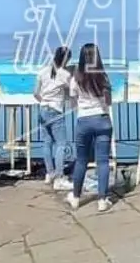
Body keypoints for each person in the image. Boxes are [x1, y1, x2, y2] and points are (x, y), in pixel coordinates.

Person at [66, 43, 114, 212]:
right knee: (102, 161)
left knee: (81, 160)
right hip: (102, 120)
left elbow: (72, 102)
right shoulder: (103, 77)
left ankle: (76, 197)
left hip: (84, 121)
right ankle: (102, 200)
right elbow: (108, 102)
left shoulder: (76, 78)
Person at [35, 46, 72, 190]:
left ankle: (49, 173)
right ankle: (59, 176)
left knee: (47, 142)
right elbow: (73, 91)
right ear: (66, 59)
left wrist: (44, 102)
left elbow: (35, 93)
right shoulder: (64, 74)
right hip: (56, 110)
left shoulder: (43, 71)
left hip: (43, 109)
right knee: (61, 144)